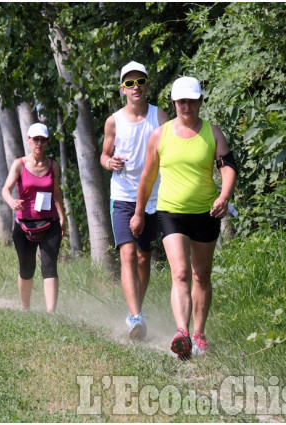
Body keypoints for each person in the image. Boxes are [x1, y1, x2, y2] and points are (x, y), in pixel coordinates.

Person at [130, 76, 238, 359]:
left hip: (206, 212)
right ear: (174, 103)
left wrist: (224, 196)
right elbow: (147, 177)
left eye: (191, 100)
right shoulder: (160, 135)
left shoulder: (213, 134)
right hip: (171, 212)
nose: (186, 106)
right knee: (180, 273)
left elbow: (228, 167)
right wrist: (139, 212)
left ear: (201, 101)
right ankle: (182, 333)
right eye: (181, 101)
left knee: (201, 275)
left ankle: (200, 334)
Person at [100, 61, 169, 340]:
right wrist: (109, 162)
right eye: (129, 83)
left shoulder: (160, 116)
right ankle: (136, 316)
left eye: (140, 81)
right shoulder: (114, 120)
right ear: (122, 90)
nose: (135, 87)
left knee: (144, 257)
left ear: (148, 84)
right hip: (123, 196)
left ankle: (135, 310)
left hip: (153, 197)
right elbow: (104, 155)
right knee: (127, 254)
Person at [2, 123, 67, 313]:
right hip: (24, 224)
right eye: (36, 139)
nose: (39, 143)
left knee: (49, 266)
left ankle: (51, 313)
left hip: (50, 222)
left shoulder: (53, 165)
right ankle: (25, 308)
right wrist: (12, 202)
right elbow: (6, 189)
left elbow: (56, 194)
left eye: (43, 139)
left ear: (47, 142)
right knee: (27, 268)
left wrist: (62, 217)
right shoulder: (19, 164)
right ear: (28, 140)